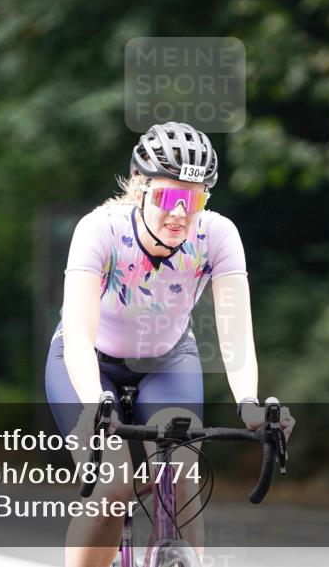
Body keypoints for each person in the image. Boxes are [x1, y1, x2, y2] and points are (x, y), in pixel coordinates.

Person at [45, 121, 293, 567]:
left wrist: (250, 404)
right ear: (140, 188)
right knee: (116, 482)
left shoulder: (217, 236)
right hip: (88, 360)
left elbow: (234, 334)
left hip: (167, 361)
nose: (180, 212)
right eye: (168, 197)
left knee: (183, 473)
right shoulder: (99, 230)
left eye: (193, 199)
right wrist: (91, 404)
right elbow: (80, 333)